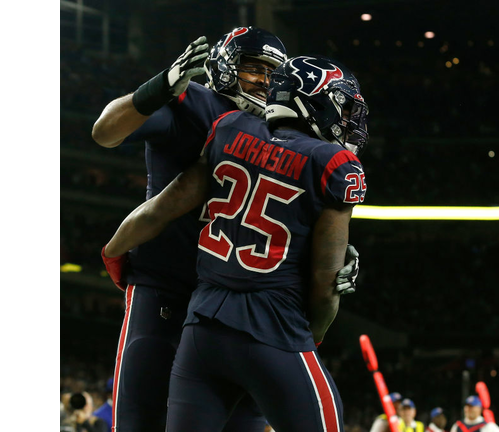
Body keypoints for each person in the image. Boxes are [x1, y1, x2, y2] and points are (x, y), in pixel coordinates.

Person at [92, 27, 360, 431]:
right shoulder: (194, 101)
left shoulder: (268, 130)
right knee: (141, 420)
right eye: (254, 69)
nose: (265, 82)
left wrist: (334, 249)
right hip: (168, 285)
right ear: (226, 64)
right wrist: (159, 88)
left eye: (274, 75)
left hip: (222, 301)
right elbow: (106, 132)